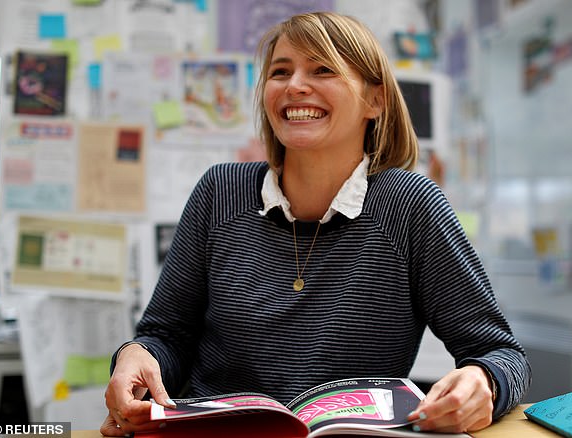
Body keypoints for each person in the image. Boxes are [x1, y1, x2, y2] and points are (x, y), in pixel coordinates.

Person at [100, 11, 531, 436]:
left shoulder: (410, 205)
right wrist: (138, 354)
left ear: (374, 100)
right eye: (280, 71)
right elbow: (166, 335)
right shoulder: (219, 193)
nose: (295, 86)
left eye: (322, 69)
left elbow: (499, 352)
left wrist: (484, 381)